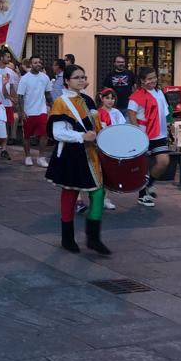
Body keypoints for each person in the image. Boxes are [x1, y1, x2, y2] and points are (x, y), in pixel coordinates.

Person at [45, 63, 111, 256]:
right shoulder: (60, 103)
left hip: (91, 154)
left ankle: (93, 238)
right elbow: (57, 133)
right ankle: (67, 238)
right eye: (77, 77)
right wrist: (81, 137)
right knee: (70, 193)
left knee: (98, 193)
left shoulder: (88, 100)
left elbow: (95, 125)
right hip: (71, 154)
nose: (82, 80)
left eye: (83, 77)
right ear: (67, 80)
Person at [127, 66, 171, 207]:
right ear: (142, 81)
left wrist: (169, 125)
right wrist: (137, 133)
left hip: (159, 134)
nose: (153, 80)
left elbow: (165, 112)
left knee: (163, 161)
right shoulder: (136, 96)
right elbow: (131, 113)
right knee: (143, 166)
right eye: (149, 78)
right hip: (143, 134)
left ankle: (150, 184)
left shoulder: (159, 93)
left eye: (154, 77)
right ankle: (142, 195)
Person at [16, 56, 52, 167]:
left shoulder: (45, 78)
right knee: (26, 136)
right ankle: (28, 156)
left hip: (41, 110)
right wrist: (21, 112)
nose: (38, 64)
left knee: (44, 135)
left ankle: (41, 157)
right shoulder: (25, 78)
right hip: (28, 111)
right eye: (35, 62)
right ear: (30, 64)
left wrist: (53, 106)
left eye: (39, 62)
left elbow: (48, 94)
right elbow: (20, 96)